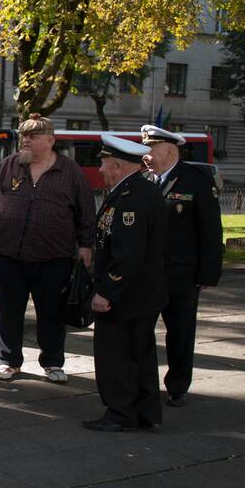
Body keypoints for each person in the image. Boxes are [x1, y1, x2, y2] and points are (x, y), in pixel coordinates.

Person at [0, 114, 96, 383]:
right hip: (9, 254)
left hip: (53, 257)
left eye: (32, 137)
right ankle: (9, 361)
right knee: (9, 310)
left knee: (52, 313)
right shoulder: (9, 166)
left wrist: (86, 245)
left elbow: (86, 213)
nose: (26, 142)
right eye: (24, 137)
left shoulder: (70, 172)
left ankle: (53, 362)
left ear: (49, 141)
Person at [85, 134, 167, 432]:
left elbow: (128, 253)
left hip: (126, 296)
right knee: (140, 354)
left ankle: (120, 413)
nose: (102, 171)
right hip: (141, 295)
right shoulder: (137, 191)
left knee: (117, 356)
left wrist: (106, 291)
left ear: (118, 165)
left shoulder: (131, 198)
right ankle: (146, 412)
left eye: (104, 165)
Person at [141, 124, 223, 408]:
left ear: (169, 150)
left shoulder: (196, 179)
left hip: (181, 273)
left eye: (149, 149)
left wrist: (208, 273)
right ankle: (143, 384)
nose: (145, 154)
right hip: (148, 274)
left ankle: (177, 386)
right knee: (141, 331)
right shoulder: (144, 180)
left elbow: (211, 230)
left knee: (180, 332)